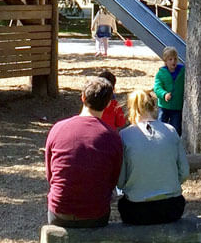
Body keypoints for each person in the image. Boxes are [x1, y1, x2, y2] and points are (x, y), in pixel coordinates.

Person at [44, 77, 123, 227]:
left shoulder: (58, 128)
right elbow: (113, 179)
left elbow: (51, 173)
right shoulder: (112, 137)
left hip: (60, 211)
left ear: (83, 97)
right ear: (108, 104)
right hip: (95, 213)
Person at [117, 88, 189, 225]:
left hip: (137, 210)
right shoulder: (171, 130)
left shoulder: (124, 136)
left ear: (131, 109)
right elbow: (184, 172)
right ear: (153, 107)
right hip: (172, 208)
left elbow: (120, 182)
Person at [153, 46, 185, 136]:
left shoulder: (182, 71)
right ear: (165, 61)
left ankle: (174, 142)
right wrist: (164, 94)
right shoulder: (161, 73)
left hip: (177, 107)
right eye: (170, 59)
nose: (173, 61)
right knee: (161, 126)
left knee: (176, 128)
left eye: (175, 59)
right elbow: (157, 88)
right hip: (164, 106)